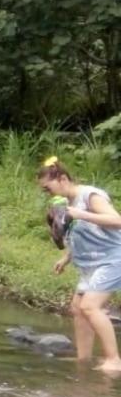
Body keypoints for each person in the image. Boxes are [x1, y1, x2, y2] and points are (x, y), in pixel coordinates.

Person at [37, 157, 121, 372]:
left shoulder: (89, 196)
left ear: (63, 179)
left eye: (48, 188)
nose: (47, 193)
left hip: (112, 258)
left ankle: (114, 360)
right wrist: (66, 258)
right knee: (78, 308)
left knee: (90, 306)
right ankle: (83, 358)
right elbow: (81, 235)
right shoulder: (66, 204)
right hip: (90, 263)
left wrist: (80, 214)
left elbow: (116, 221)